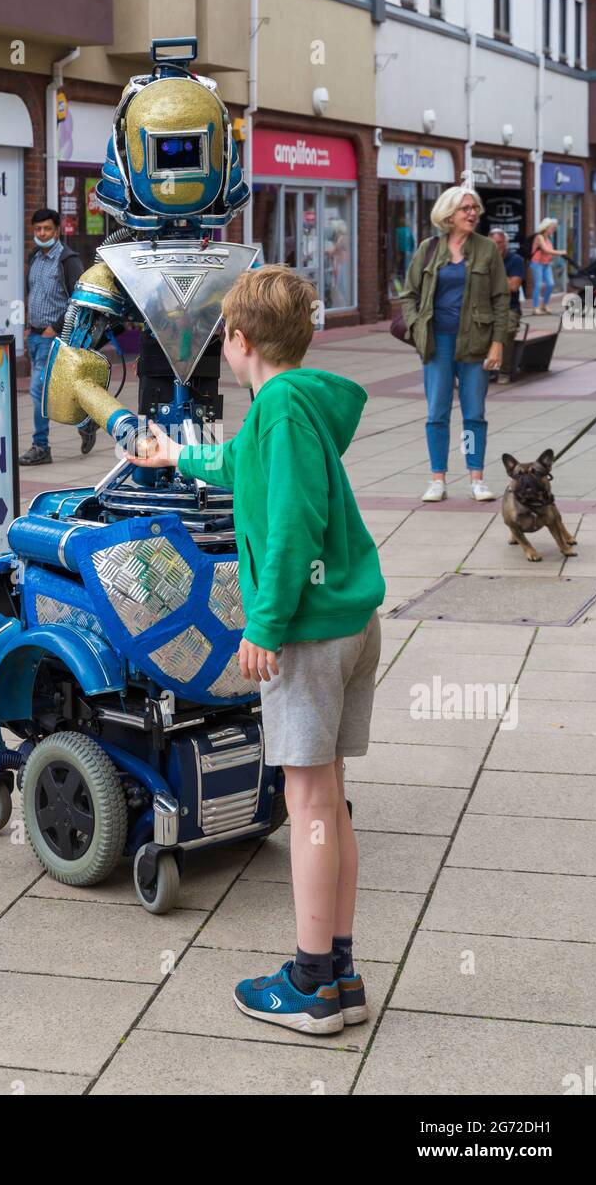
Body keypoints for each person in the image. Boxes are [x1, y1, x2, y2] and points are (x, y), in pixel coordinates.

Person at [127, 265, 386, 1035]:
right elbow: (246, 467)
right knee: (328, 798)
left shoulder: (275, 408)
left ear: (237, 341)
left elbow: (292, 524)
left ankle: (310, 984)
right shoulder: (297, 401)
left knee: (308, 804)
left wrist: (264, 625)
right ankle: (337, 973)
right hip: (351, 623)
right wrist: (177, 456)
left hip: (306, 632)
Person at [401, 185, 509, 503]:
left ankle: (476, 477)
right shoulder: (429, 248)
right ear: (449, 214)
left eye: (475, 208)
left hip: (476, 342)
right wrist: (415, 326)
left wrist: (498, 343)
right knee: (437, 413)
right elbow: (409, 294)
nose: (473, 213)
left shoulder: (487, 249)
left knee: (474, 413)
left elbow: (501, 299)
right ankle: (438, 479)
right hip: (437, 344)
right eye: (466, 208)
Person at [19, 208, 90, 466]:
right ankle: (85, 421)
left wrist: (57, 327)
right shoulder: (34, 258)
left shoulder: (68, 261)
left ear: (57, 230)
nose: (42, 233)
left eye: (47, 229)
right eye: (37, 229)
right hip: (35, 336)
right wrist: (29, 327)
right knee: (55, 390)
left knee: (38, 390)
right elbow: (34, 294)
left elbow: (79, 299)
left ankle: (41, 446)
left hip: (54, 337)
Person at [489, 227, 524, 384]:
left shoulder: (515, 260)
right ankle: (485, 369)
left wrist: (489, 281)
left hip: (509, 307)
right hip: (485, 307)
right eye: (493, 243)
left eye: (499, 243)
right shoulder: (483, 259)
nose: (496, 246)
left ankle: (504, 371)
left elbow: (513, 286)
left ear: (506, 244)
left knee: (507, 331)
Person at [530, 218, 567, 314]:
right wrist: (561, 252)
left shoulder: (548, 239)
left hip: (546, 264)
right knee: (538, 285)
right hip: (537, 264)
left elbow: (548, 252)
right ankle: (535, 307)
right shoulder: (539, 237)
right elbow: (546, 250)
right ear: (545, 228)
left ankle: (544, 305)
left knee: (550, 284)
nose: (553, 230)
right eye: (552, 228)